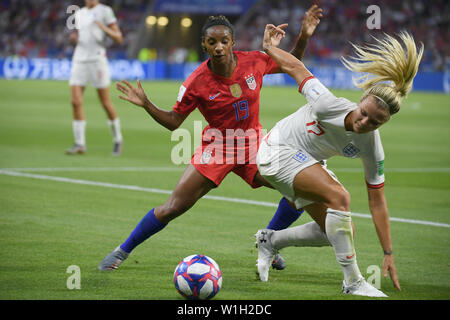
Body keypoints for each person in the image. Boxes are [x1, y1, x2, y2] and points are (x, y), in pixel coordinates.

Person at [98, 6, 323, 271]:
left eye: (224, 41)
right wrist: (147, 104)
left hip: (254, 144)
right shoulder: (196, 82)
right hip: (218, 148)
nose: (218, 47)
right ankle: (122, 251)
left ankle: (269, 241)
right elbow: (174, 122)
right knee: (173, 207)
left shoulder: (254, 61)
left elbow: (292, 61)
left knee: (300, 191)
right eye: (212, 42)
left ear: (232, 42)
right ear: (204, 44)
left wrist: (304, 35)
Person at [254, 24, 423, 296]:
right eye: (365, 113)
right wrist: (269, 48)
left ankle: (271, 239)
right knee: (340, 197)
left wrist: (388, 252)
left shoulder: (372, 148)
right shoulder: (326, 104)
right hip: (276, 150)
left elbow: (377, 201)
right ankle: (353, 282)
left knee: (339, 231)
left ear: (385, 122)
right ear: (362, 100)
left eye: (376, 122)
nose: (365, 123)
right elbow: (297, 68)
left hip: (304, 161)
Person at [66, 0, 124, 156]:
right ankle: (80, 144)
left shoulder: (105, 11)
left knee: (105, 102)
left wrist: (103, 27)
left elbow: (119, 38)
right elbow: (82, 36)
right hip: (79, 59)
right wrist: (74, 39)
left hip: (97, 60)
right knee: (75, 101)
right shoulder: (79, 13)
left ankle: (118, 139)